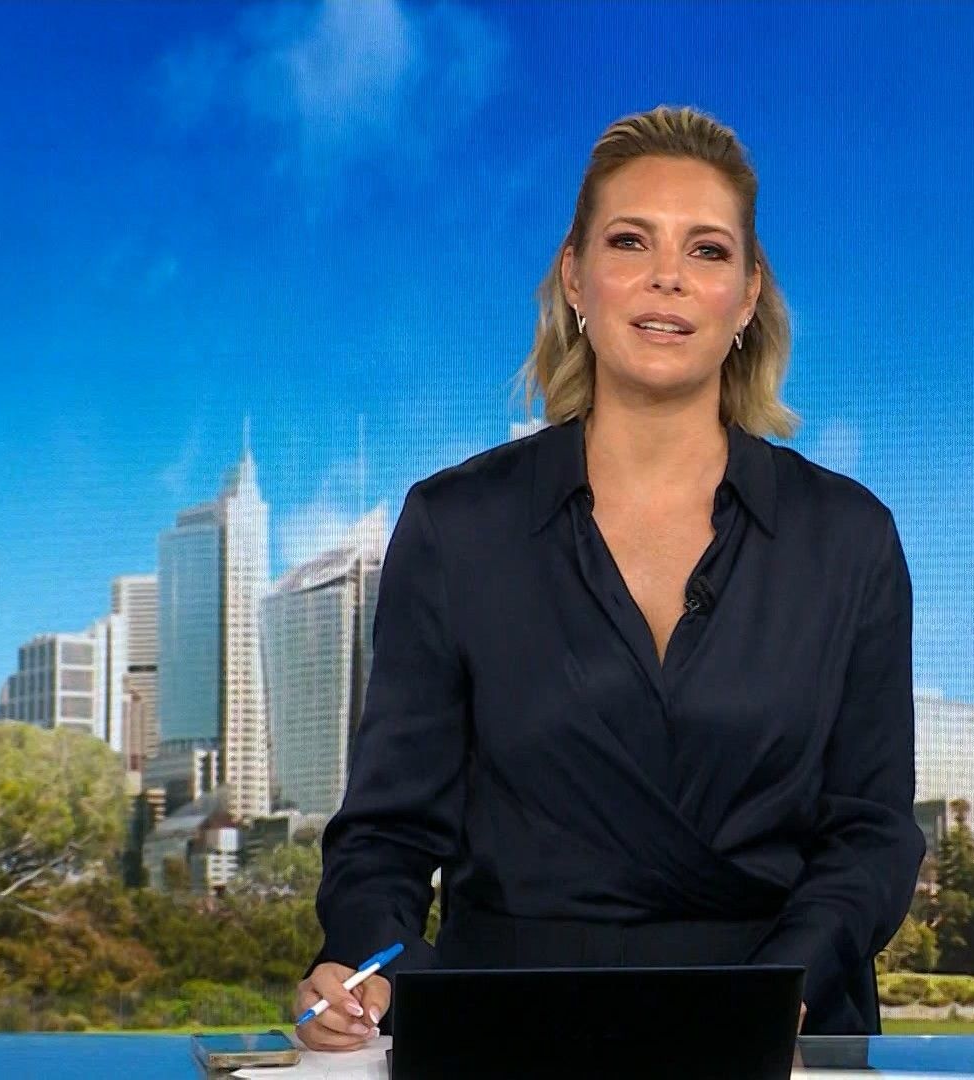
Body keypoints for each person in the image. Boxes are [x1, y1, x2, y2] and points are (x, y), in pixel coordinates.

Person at [295, 104, 923, 1051]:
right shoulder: (455, 525)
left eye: (707, 250)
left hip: (776, 1034)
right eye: (631, 241)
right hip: (509, 1038)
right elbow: (386, 835)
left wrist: (775, 996)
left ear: (747, 296)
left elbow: (872, 834)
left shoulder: (849, 538)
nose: (668, 276)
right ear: (574, 277)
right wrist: (363, 969)